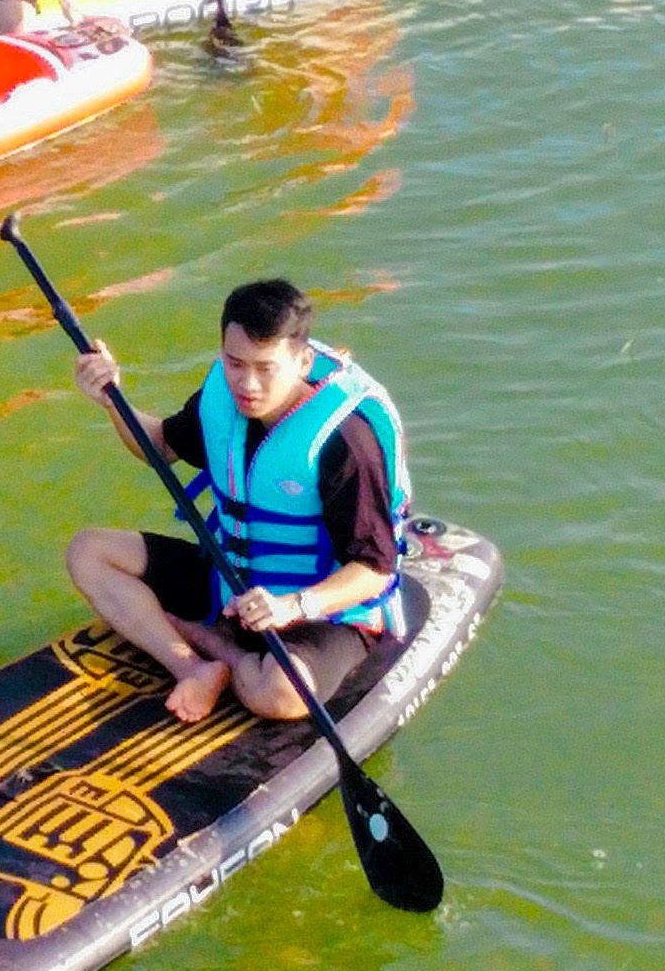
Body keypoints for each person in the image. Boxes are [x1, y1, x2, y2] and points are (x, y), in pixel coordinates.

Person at [64, 277, 410, 728]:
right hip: (230, 582)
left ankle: (215, 643)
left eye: (266, 368)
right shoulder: (221, 398)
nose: (247, 384)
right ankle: (195, 667)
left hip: (321, 609)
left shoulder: (346, 441)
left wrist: (294, 606)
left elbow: (375, 569)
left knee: (281, 695)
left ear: (303, 361)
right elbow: (159, 446)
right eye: (234, 363)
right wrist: (112, 399)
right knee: (88, 552)